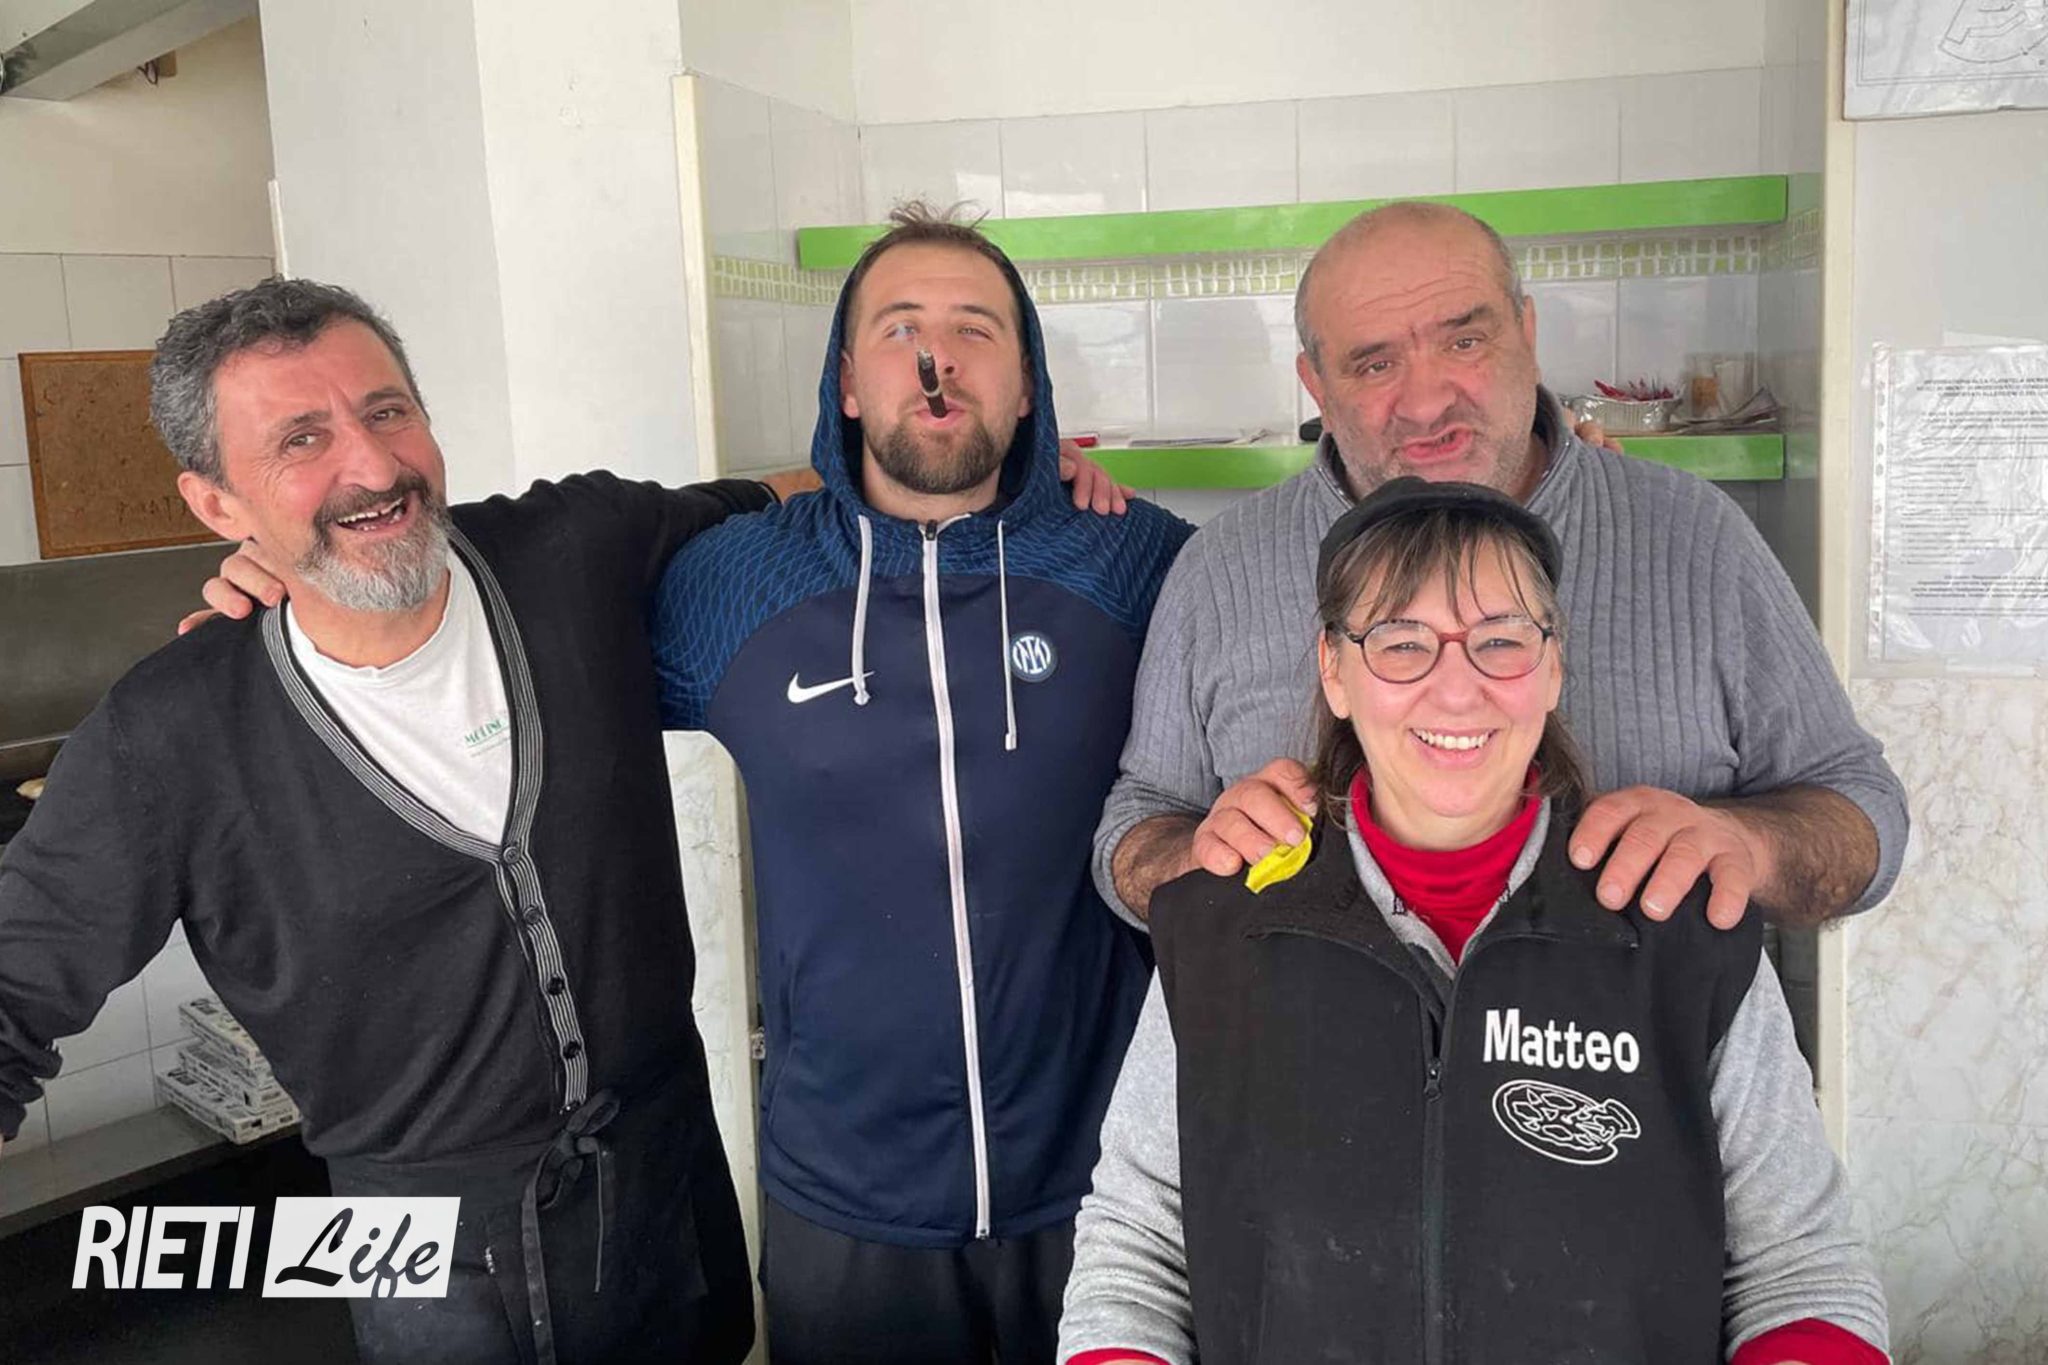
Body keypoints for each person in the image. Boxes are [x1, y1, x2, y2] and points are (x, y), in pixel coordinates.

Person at [0, 278, 776, 1364]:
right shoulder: (167, 737)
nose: (371, 467)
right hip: (416, 1248)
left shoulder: (572, 551)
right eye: (301, 441)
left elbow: (782, 508)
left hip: (667, 1182)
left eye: (386, 410)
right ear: (219, 507)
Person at [1057, 478, 1890, 1365]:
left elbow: (1802, 1271)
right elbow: (1136, 1253)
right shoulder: (1221, 927)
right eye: (1401, 642)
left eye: (1501, 640)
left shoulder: (1677, 924)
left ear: (1554, 665)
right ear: (1334, 671)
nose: (1457, 691)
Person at [645, 204, 1192, 1364]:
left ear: (1028, 386)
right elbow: (524, 652)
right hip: (842, 1202)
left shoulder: (1137, 563)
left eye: (974, 330)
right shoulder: (731, 585)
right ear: (846, 383)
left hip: (1105, 1188)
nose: (935, 357)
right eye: (898, 329)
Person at [1098, 201, 1907, 934]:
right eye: (1374, 364)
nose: (1426, 403)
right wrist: (1195, 855)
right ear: (1315, 384)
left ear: (1527, 331)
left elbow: (1863, 814)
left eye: (1465, 341)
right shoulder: (1219, 570)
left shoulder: (1697, 537)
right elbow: (1132, 830)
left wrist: (1746, 845)